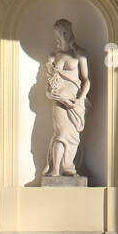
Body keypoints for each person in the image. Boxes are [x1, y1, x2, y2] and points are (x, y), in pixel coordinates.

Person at [41, 19, 89, 178]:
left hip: (75, 102)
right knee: (61, 133)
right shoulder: (53, 55)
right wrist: (53, 95)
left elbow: (86, 80)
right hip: (59, 102)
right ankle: (55, 169)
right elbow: (50, 82)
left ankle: (68, 166)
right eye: (60, 32)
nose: (64, 35)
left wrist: (80, 99)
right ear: (56, 35)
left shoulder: (79, 53)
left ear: (70, 31)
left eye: (65, 31)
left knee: (73, 136)